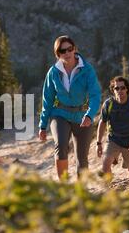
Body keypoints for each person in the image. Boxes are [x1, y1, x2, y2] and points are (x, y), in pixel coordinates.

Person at [39, 35, 101, 179]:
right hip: (59, 114)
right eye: (62, 51)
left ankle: (80, 192)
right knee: (61, 146)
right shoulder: (53, 72)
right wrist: (42, 126)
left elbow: (95, 95)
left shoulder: (87, 70)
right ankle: (64, 187)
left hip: (82, 115)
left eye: (69, 49)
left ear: (74, 49)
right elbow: (47, 100)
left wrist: (90, 114)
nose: (66, 53)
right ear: (58, 54)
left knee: (82, 158)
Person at [96, 76, 129, 175]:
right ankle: (109, 187)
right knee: (105, 164)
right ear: (113, 90)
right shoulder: (108, 104)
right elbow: (102, 122)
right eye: (117, 88)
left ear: (127, 89)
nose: (120, 90)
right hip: (113, 140)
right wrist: (98, 143)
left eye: (123, 88)